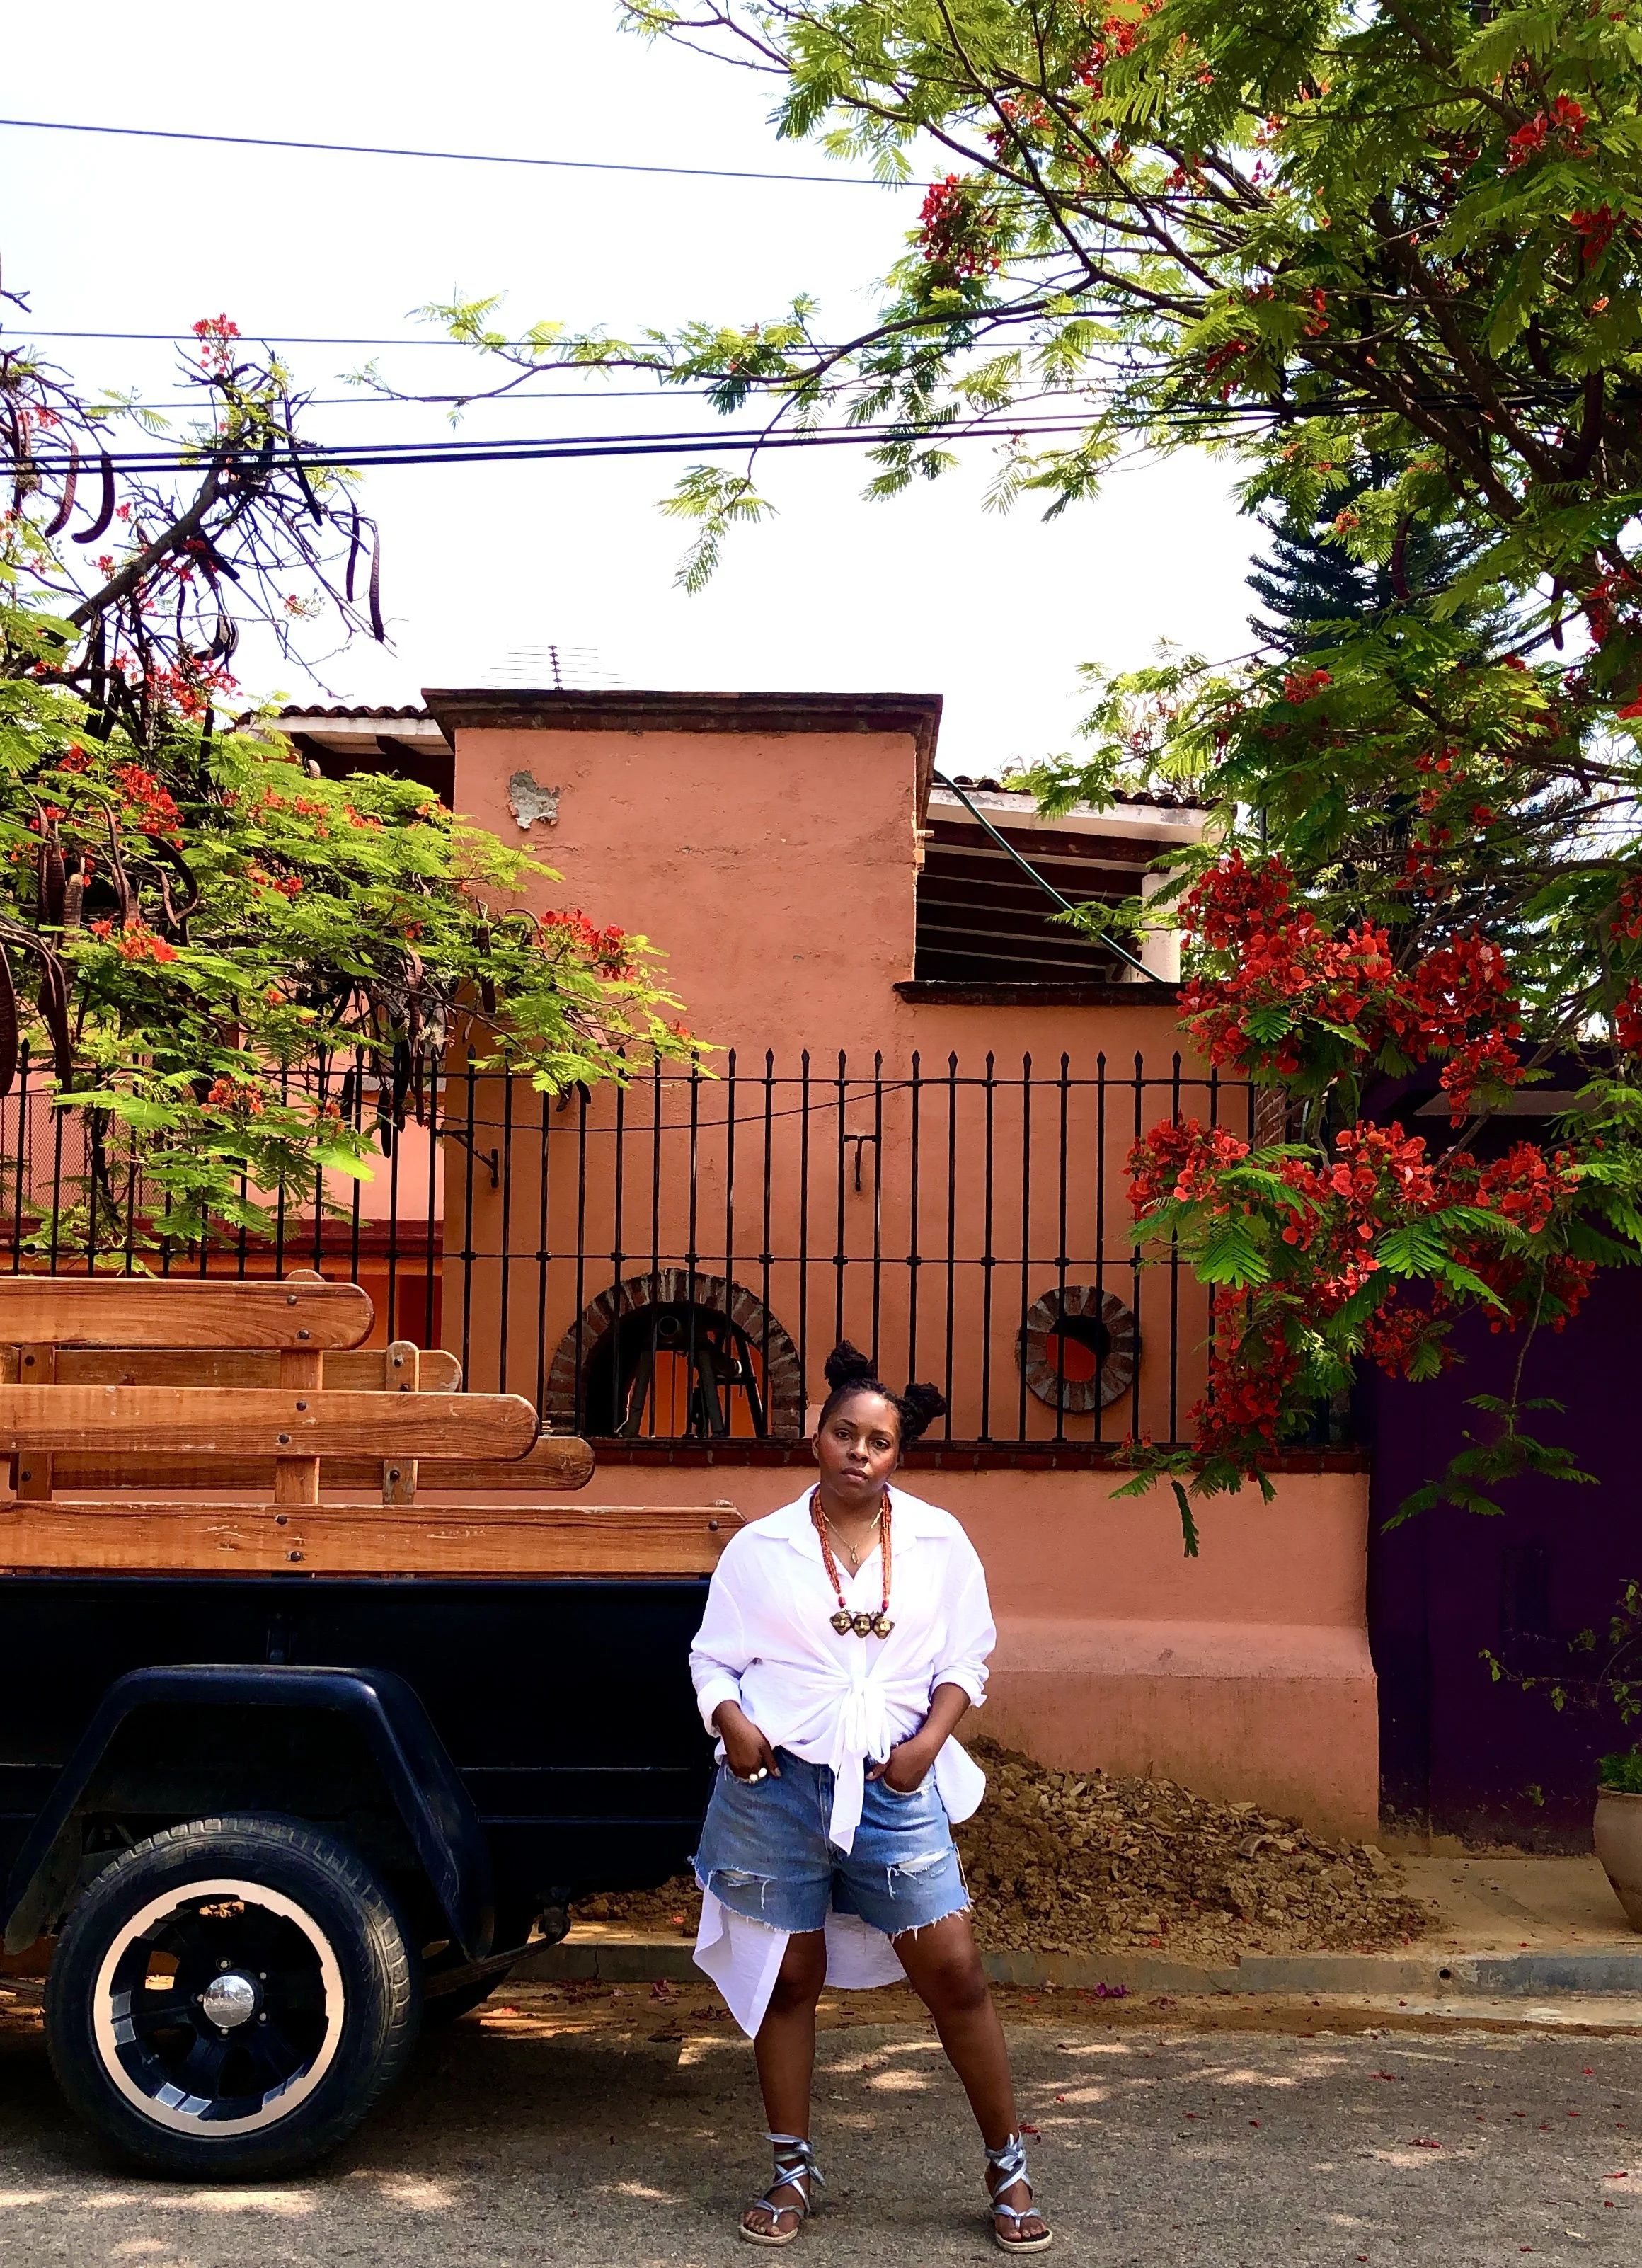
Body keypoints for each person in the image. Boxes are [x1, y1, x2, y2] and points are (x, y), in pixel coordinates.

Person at [689, 1341, 1052, 2252]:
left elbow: (966, 1658)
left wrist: (928, 1745)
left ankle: (1007, 2168)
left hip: (894, 1785)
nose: (859, 1451)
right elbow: (712, 1658)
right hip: (774, 1791)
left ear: (898, 1454)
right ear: (815, 1438)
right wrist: (730, 1721)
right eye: (844, 1433)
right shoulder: (761, 1549)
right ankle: (790, 2169)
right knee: (789, 1980)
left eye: (879, 1441)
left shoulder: (938, 1541)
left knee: (955, 1972)